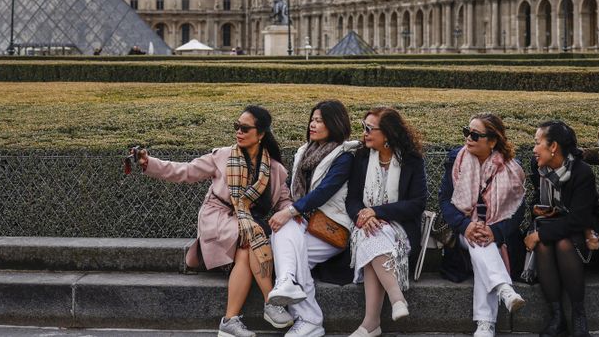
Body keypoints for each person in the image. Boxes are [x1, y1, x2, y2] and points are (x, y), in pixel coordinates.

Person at [135, 105, 293, 337]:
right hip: (217, 218)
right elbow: (185, 171)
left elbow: (285, 202)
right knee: (252, 233)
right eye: (236, 126)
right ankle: (271, 301)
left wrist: (289, 213)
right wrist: (149, 163)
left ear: (260, 134)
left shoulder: (275, 170)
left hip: (247, 227)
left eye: (244, 128)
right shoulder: (222, 156)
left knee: (246, 246)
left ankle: (229, 321)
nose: (238, 132)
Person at [266, 100, 359, 337]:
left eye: (320, 120)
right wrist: (291, 211)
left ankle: (305, 313)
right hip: (303, 221)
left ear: (334, 124)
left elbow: (324, 191)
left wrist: (291, 211)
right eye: (312, 119)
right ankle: (295, 297)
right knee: (282, 231)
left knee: (293, 253)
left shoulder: (345, 155)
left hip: (330, 226)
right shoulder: (304, 152)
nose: (313, 124)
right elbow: (291, 190)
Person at [438, 114, 528, 337]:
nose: (468, 138)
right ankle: (503, 289)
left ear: (493, 141)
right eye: (466, 132)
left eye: (475, 135)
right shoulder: (457, 160)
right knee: (478, 240)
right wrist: (466, 226)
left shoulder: (511, 168)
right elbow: (445, 201)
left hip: (497, 235)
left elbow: (517, 210)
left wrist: (494, 231)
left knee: (483, 244)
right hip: (463, 230)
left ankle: (485, 324)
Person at [345, 107, 428, 337]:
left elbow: (417, 203)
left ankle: (371, 323)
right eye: (363, 127)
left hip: (401, 229)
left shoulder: (411, 160)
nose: (364, 132)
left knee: (373, 236)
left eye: (369, 128)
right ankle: (395, 297)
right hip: (365, 225)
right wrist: (363, 216)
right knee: (370, 233)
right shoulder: (361, 157)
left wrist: (376, 212)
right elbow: (352, 199)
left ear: (388, 133)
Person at [522, 121, 599, 337]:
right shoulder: (538, 166)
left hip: (582, 232)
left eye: (537, 143)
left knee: (563, 244)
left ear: (553, 146)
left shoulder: (581, 172)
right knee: (544, 245)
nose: (534, 149)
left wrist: (539, 235)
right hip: (552, 224)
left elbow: (579, 219)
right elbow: (537, 198)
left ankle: (578, 315)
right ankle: (557, 317)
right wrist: (537, 209)